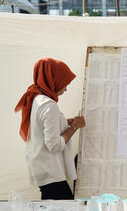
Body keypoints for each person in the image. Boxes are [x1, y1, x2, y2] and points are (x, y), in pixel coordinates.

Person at [15, 58, 86, 200]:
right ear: (54, 79)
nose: (66, 89)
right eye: (65, 83)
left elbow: (41, 125)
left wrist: (65, 122)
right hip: (50, 171)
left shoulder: (36, 98)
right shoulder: (49, 105)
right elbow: (54, 145)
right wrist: (74, 126)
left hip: (41, 167)